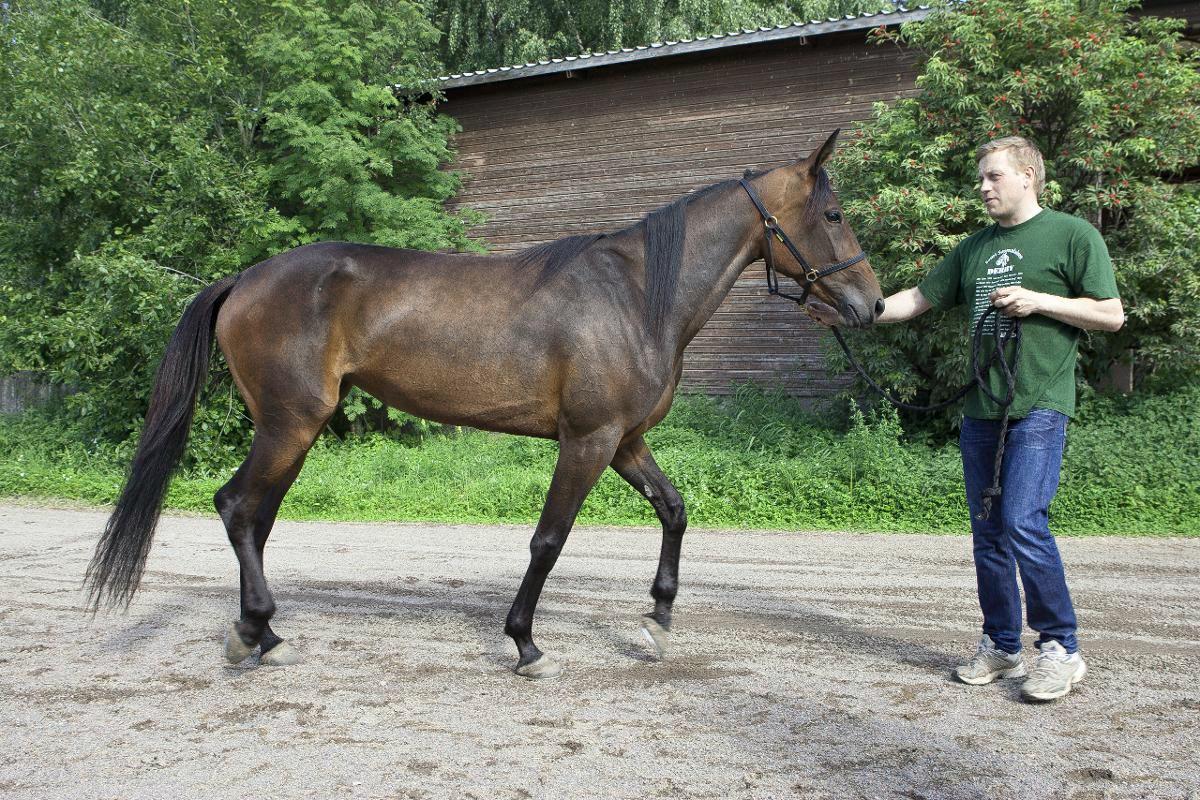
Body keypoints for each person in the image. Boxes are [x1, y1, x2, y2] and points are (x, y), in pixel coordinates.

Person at [833, 137, 1124, 701]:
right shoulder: (975, 248)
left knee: (1022, 522)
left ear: (1028, 177)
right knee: (988, 535)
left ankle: (1061, 647)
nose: (983, 187)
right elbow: (917, 297)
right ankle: (1002, 644)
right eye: (981, 179)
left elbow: (1110, 315)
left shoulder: (1072, 235)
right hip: (982, 410)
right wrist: (855, 313)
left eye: (993, 177)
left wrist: (1040, 301)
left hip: (1038, 405)